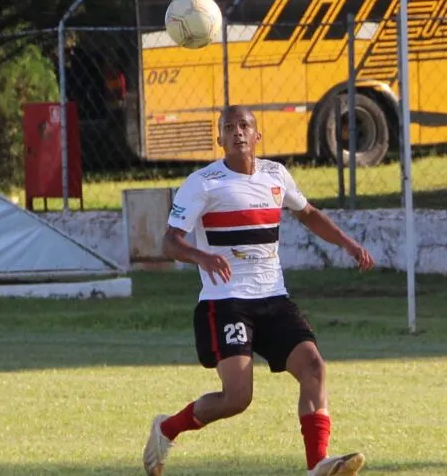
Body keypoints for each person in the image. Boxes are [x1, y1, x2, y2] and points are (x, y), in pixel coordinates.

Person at [142, 105, 376, 476]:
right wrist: (201, 257)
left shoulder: (276, 175)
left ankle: (317, 464)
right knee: (237, 398)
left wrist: (347, 244)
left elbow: (308, 213)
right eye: (229, 127)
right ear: (219, 139)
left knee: (314, 367)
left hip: (273, 298)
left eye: (245, 125)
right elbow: (169, 242)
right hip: (226, 303)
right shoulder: (203, 183)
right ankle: (166, 428)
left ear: (257, 135)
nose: (237, 132)